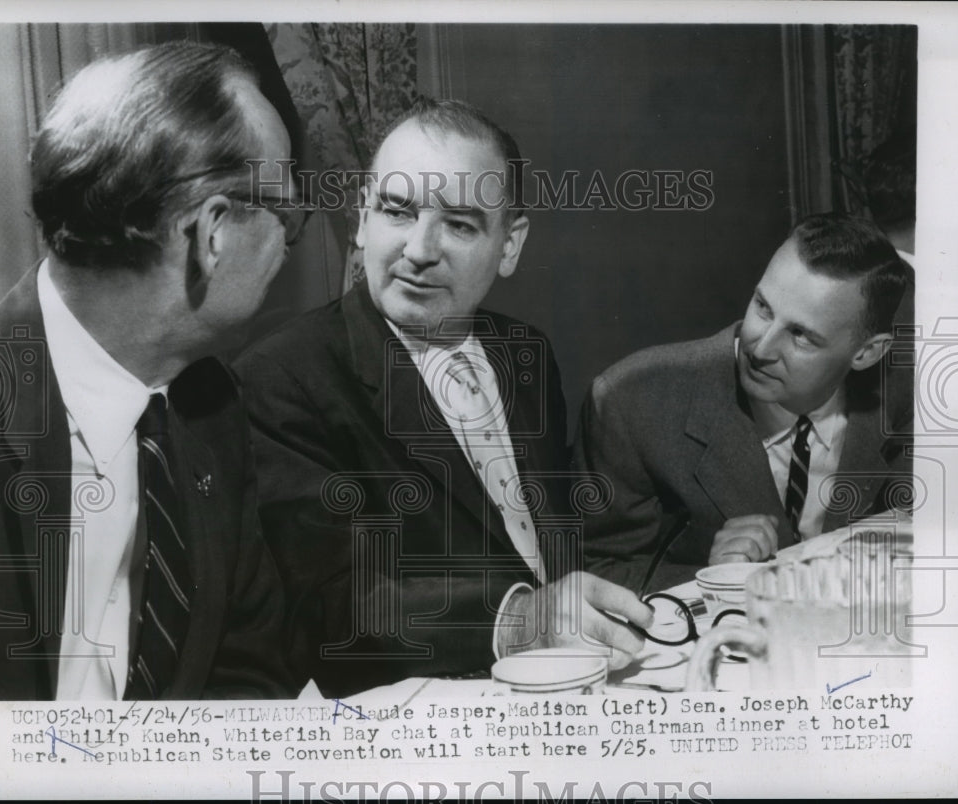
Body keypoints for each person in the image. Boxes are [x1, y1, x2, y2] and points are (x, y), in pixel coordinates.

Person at [235, 98, 653, 696]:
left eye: (459, 224)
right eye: (398, 212)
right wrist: (520, 620)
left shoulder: (524, 354)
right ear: (361, 220)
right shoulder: (281, 377)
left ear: (509, 245)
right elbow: (332, 607)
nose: (420, 249)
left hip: (570, 686)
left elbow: (549, 551)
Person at [0, 41, 304, 700]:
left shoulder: (213, 407)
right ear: (213, 232)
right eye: (287, 213)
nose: (288, 244)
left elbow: (248, 670)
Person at [574, 213, 914, 593]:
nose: (760, 346)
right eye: (763, 306)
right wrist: (713, 578)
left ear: (867, 353)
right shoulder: (630, 402)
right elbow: (597, 573)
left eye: (800, 335)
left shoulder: (913, 398)